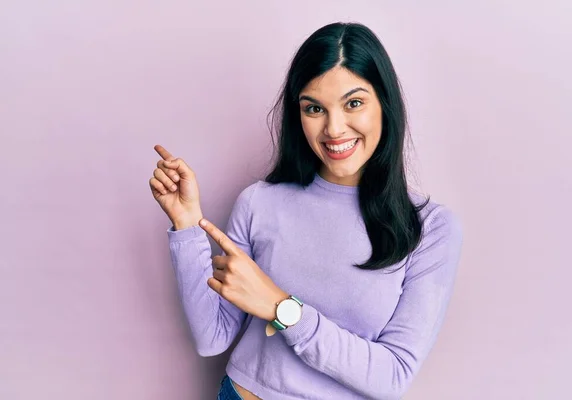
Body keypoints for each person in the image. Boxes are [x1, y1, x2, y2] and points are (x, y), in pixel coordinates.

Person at [149, 21, 463, 400]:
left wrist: (282, 308)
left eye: (354, 103)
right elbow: (211, 337)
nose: (334, 128)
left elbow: (392, 377)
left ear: (384, 104)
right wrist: (185, 226)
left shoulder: (430, 228)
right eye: (314, 108)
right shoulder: (259, 201)